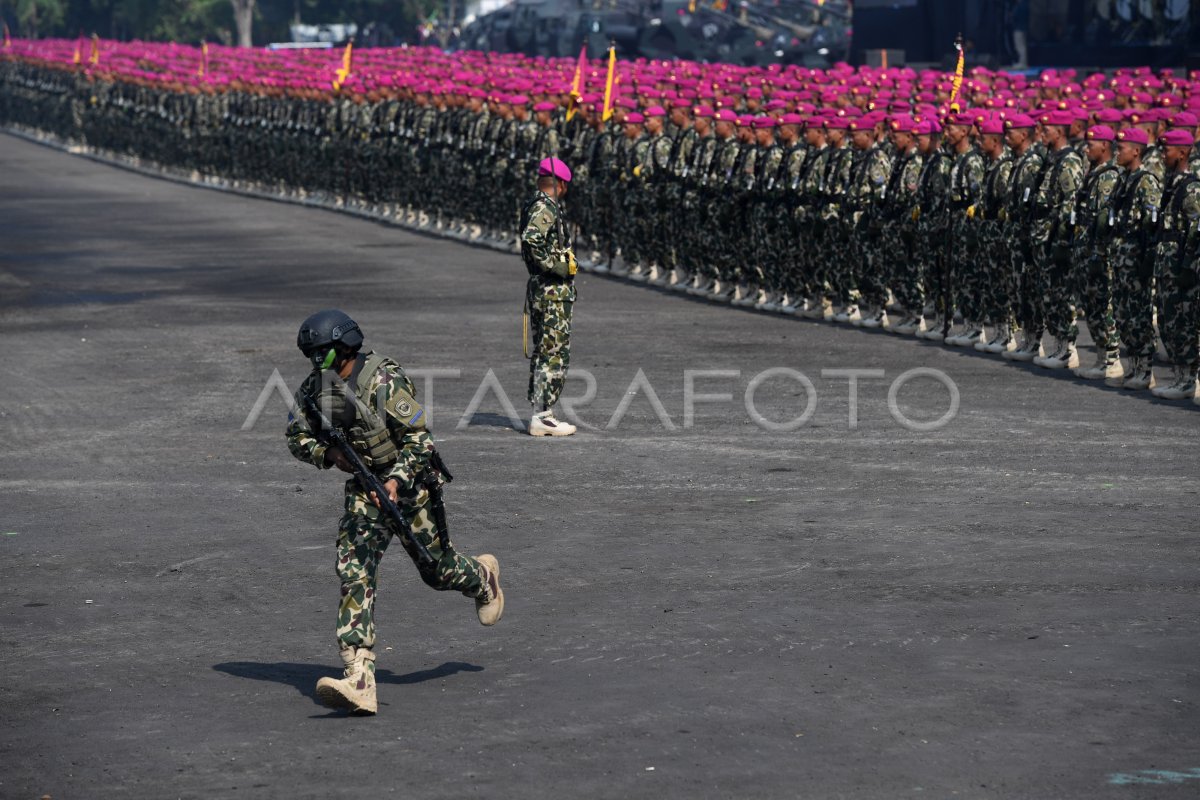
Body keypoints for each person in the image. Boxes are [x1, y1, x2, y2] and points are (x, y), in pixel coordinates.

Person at [286, 309, 504, 715]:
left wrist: (396, 481)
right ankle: (359, 677)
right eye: (312, 355)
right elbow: (296, 437)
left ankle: (482, 577)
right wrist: (329, 453)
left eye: (323, 354)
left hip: (411, 486)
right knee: (354, 572)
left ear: (344, 346)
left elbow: (420, 439)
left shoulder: (383, 380)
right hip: (363, 490)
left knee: (436, 571)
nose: (317, 363)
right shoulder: (313, 391)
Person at [521, 157, 579, 436]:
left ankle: (541, 413)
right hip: (551, 290)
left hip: (545, 289)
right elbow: (531, 238)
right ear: (562, 185)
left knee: (545, 352)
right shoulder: (545, 207)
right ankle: (543, 415)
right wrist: (554, 265)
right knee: (554, 354)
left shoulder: (537, 204)